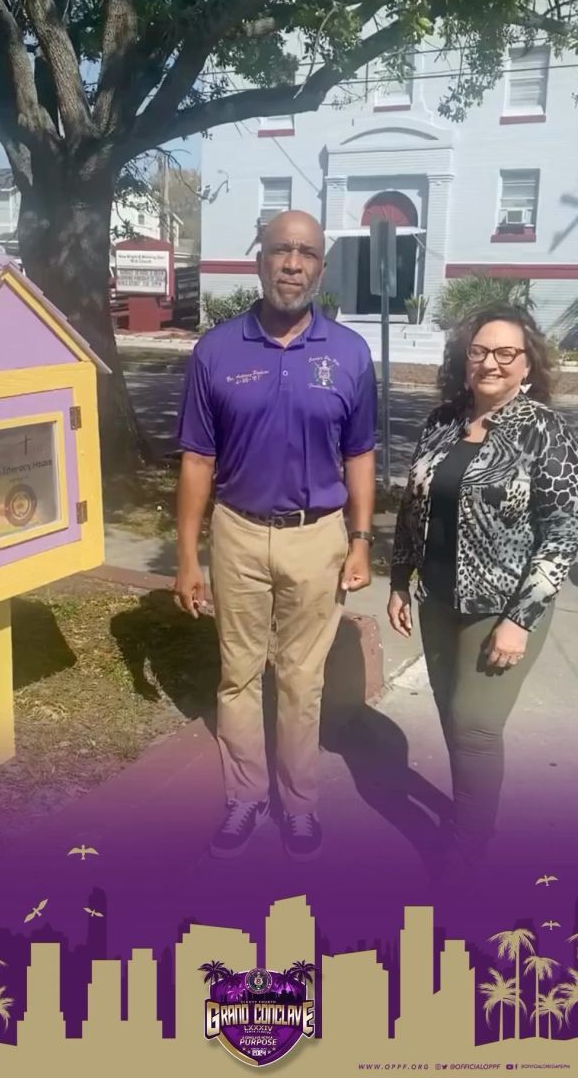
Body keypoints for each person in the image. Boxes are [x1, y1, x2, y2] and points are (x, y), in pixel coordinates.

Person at [174, 210, 377, 861]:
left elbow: (362, 454)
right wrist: (186, 556)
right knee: (237, 675)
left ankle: (300, 803)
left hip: (316, 536)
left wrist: (361, 538)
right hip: (236, 531)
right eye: (281, 249)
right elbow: (197, 460)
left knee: (300, 679)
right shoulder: (216, 351)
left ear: (321, 265)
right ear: (258, 258)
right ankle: (244, 798)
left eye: (307, 252)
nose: (293, 262)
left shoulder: (349, 354)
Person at [387, 304, 578, 885]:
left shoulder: (544, 429)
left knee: (474, 725)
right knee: (453, 719)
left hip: (502, 608)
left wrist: (520, 619)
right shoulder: (443, 419)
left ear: (527, 363)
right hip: (438, 600)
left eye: (505, 353)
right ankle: (472, 814)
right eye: (479, 351)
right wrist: (400, 580)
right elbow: (413, 506)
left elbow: (565, 530)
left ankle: (466, 858)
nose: (490, 363)